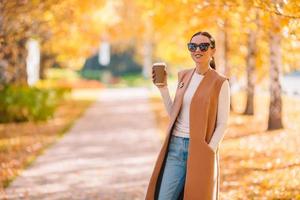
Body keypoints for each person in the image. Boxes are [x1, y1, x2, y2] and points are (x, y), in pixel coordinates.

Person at [145, 31, 230, 200]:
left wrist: (209, 150)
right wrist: (163, 89)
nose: (197, 50)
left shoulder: (220, 82)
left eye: (203, 46)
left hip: (200, 150)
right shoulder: (184, 75)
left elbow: (223, 123)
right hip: (176, 147)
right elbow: (174, 114)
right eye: (193, 46)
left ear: (212, 51)